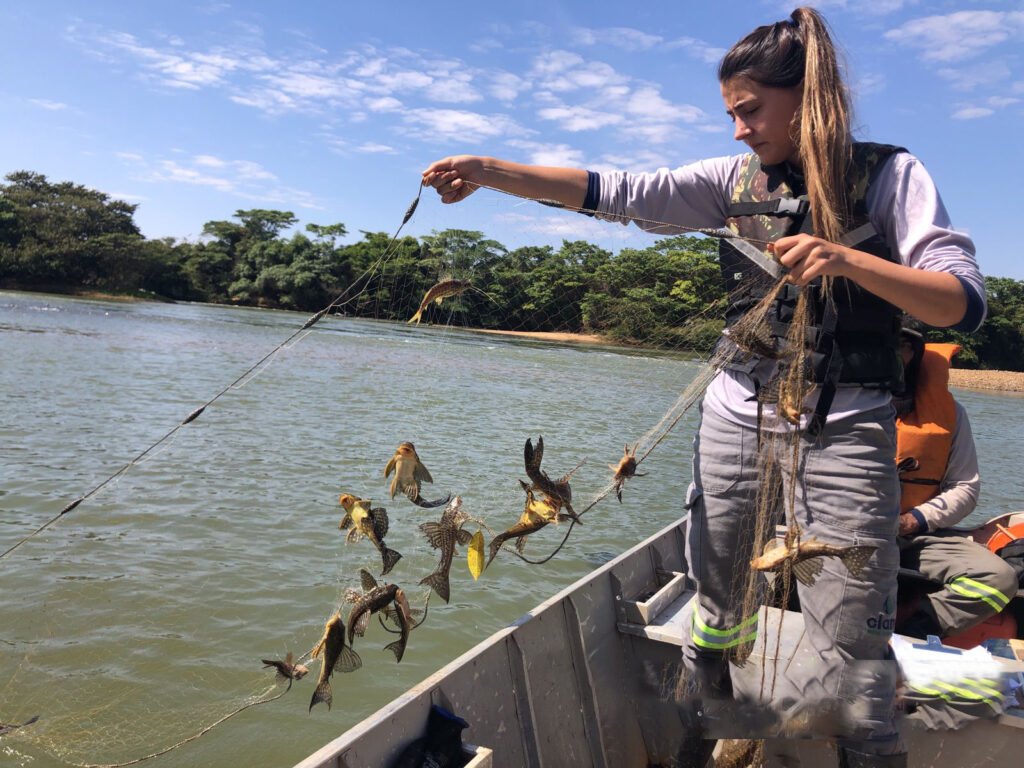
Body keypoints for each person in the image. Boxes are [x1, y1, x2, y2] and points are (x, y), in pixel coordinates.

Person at [423, 7, 985, 767]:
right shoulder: (732, 181)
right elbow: (618, 190)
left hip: (846, 421)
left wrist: (849, 261)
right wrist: (490, 173)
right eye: (730, 113)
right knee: (718, 600)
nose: (738, 130)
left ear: (808, 97)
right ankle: (711, 732)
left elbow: (960, 300)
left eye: (750, 110)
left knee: (852, 637)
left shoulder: (890, 174)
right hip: (737, 408)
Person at [894, 329, 1017, 640]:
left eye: (905, 346)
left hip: (914, 537)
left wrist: (913, 520)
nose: (896, 353)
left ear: (916, 354)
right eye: (887, 343)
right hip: (840, 533)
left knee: (999, 578)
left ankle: (917, 627)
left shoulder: (951, 415)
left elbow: (965, 488)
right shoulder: (832, 402)